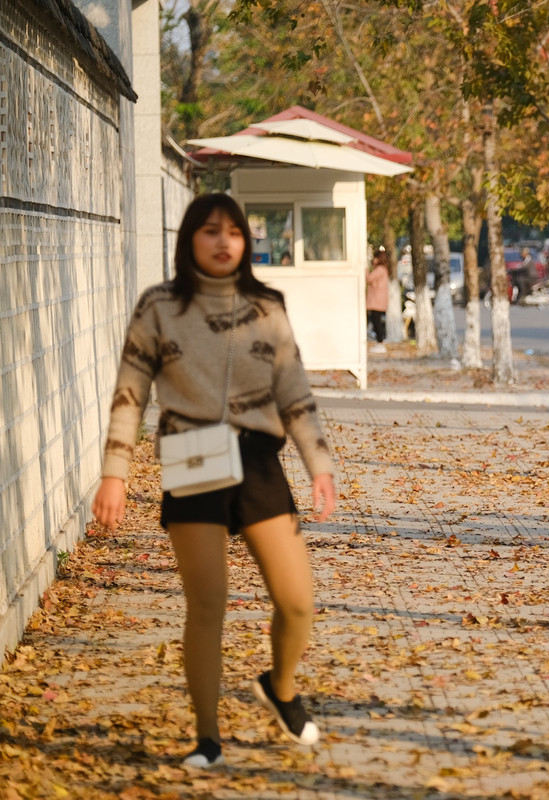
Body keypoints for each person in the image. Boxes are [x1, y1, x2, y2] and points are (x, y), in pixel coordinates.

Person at [91, 193, 338, 769]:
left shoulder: (267, 306)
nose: (223, 241)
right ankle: (207, 739)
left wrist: (319, 465)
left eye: (234, 231)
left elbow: (294, 391)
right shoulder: (159, 306)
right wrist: (114, 474)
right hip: (192, 459)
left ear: (247, 241)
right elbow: (130, 393)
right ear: (188, 240)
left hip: (257, 461)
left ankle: (279, 687)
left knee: (297, 601)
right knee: (207, 605)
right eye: (209, 230)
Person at [366, 248, 389, 353]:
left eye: (375, 257)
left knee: (376, 321)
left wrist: (365, 269)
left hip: (377, 300)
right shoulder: (383, 269)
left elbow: (369, 278)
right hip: (378, 300)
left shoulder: (380, 269)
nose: (373, 259)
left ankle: (380, 342)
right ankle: (379, 342)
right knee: (376, 321)